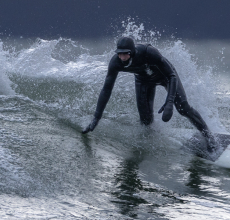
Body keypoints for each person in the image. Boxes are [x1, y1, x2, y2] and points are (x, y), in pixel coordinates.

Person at [82, 36, 217, 150]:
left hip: (166, 77)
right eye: (119, 53)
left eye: (125, 53)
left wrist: (169, 102)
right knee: (145, 120)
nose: (122, 56)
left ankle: (209, 137)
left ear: (132, 51)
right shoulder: (115, 63)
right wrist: (96, 118)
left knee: (183, 108)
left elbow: (171, 76)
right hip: (143, 81)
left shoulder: (148, 52)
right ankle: (152, 141)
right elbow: (106, 89)